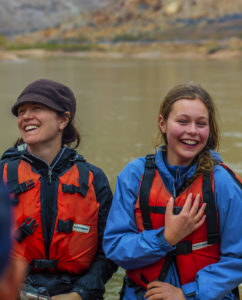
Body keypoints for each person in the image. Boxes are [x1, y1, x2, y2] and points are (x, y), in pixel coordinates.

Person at [103, 82, 242, 300]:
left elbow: (238, 258)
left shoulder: (223, 184)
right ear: (163, 123)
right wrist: (166, 238)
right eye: (182, 121)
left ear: (210, 129)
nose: (192, 131)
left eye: (201, 123)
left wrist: (186, 293)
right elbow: (115, 247)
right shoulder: (134, 175)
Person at [0, 79, 117, 300]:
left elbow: (108, 252)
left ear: (63, 120)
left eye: (37, 108)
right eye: (21, 111)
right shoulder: (3, 174)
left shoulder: (94, 179)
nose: (25, 116)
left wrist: (79, 294)